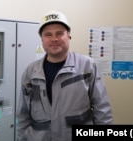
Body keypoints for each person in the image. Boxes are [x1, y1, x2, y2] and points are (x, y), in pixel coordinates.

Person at [16, 10, 113, 141]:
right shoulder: (31, 72)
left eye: (59, 33)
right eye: (48, 35)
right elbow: (23, 115)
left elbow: (102, 110)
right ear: (42, 40)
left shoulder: (87, 66)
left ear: (69, 36)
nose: (54, 39)